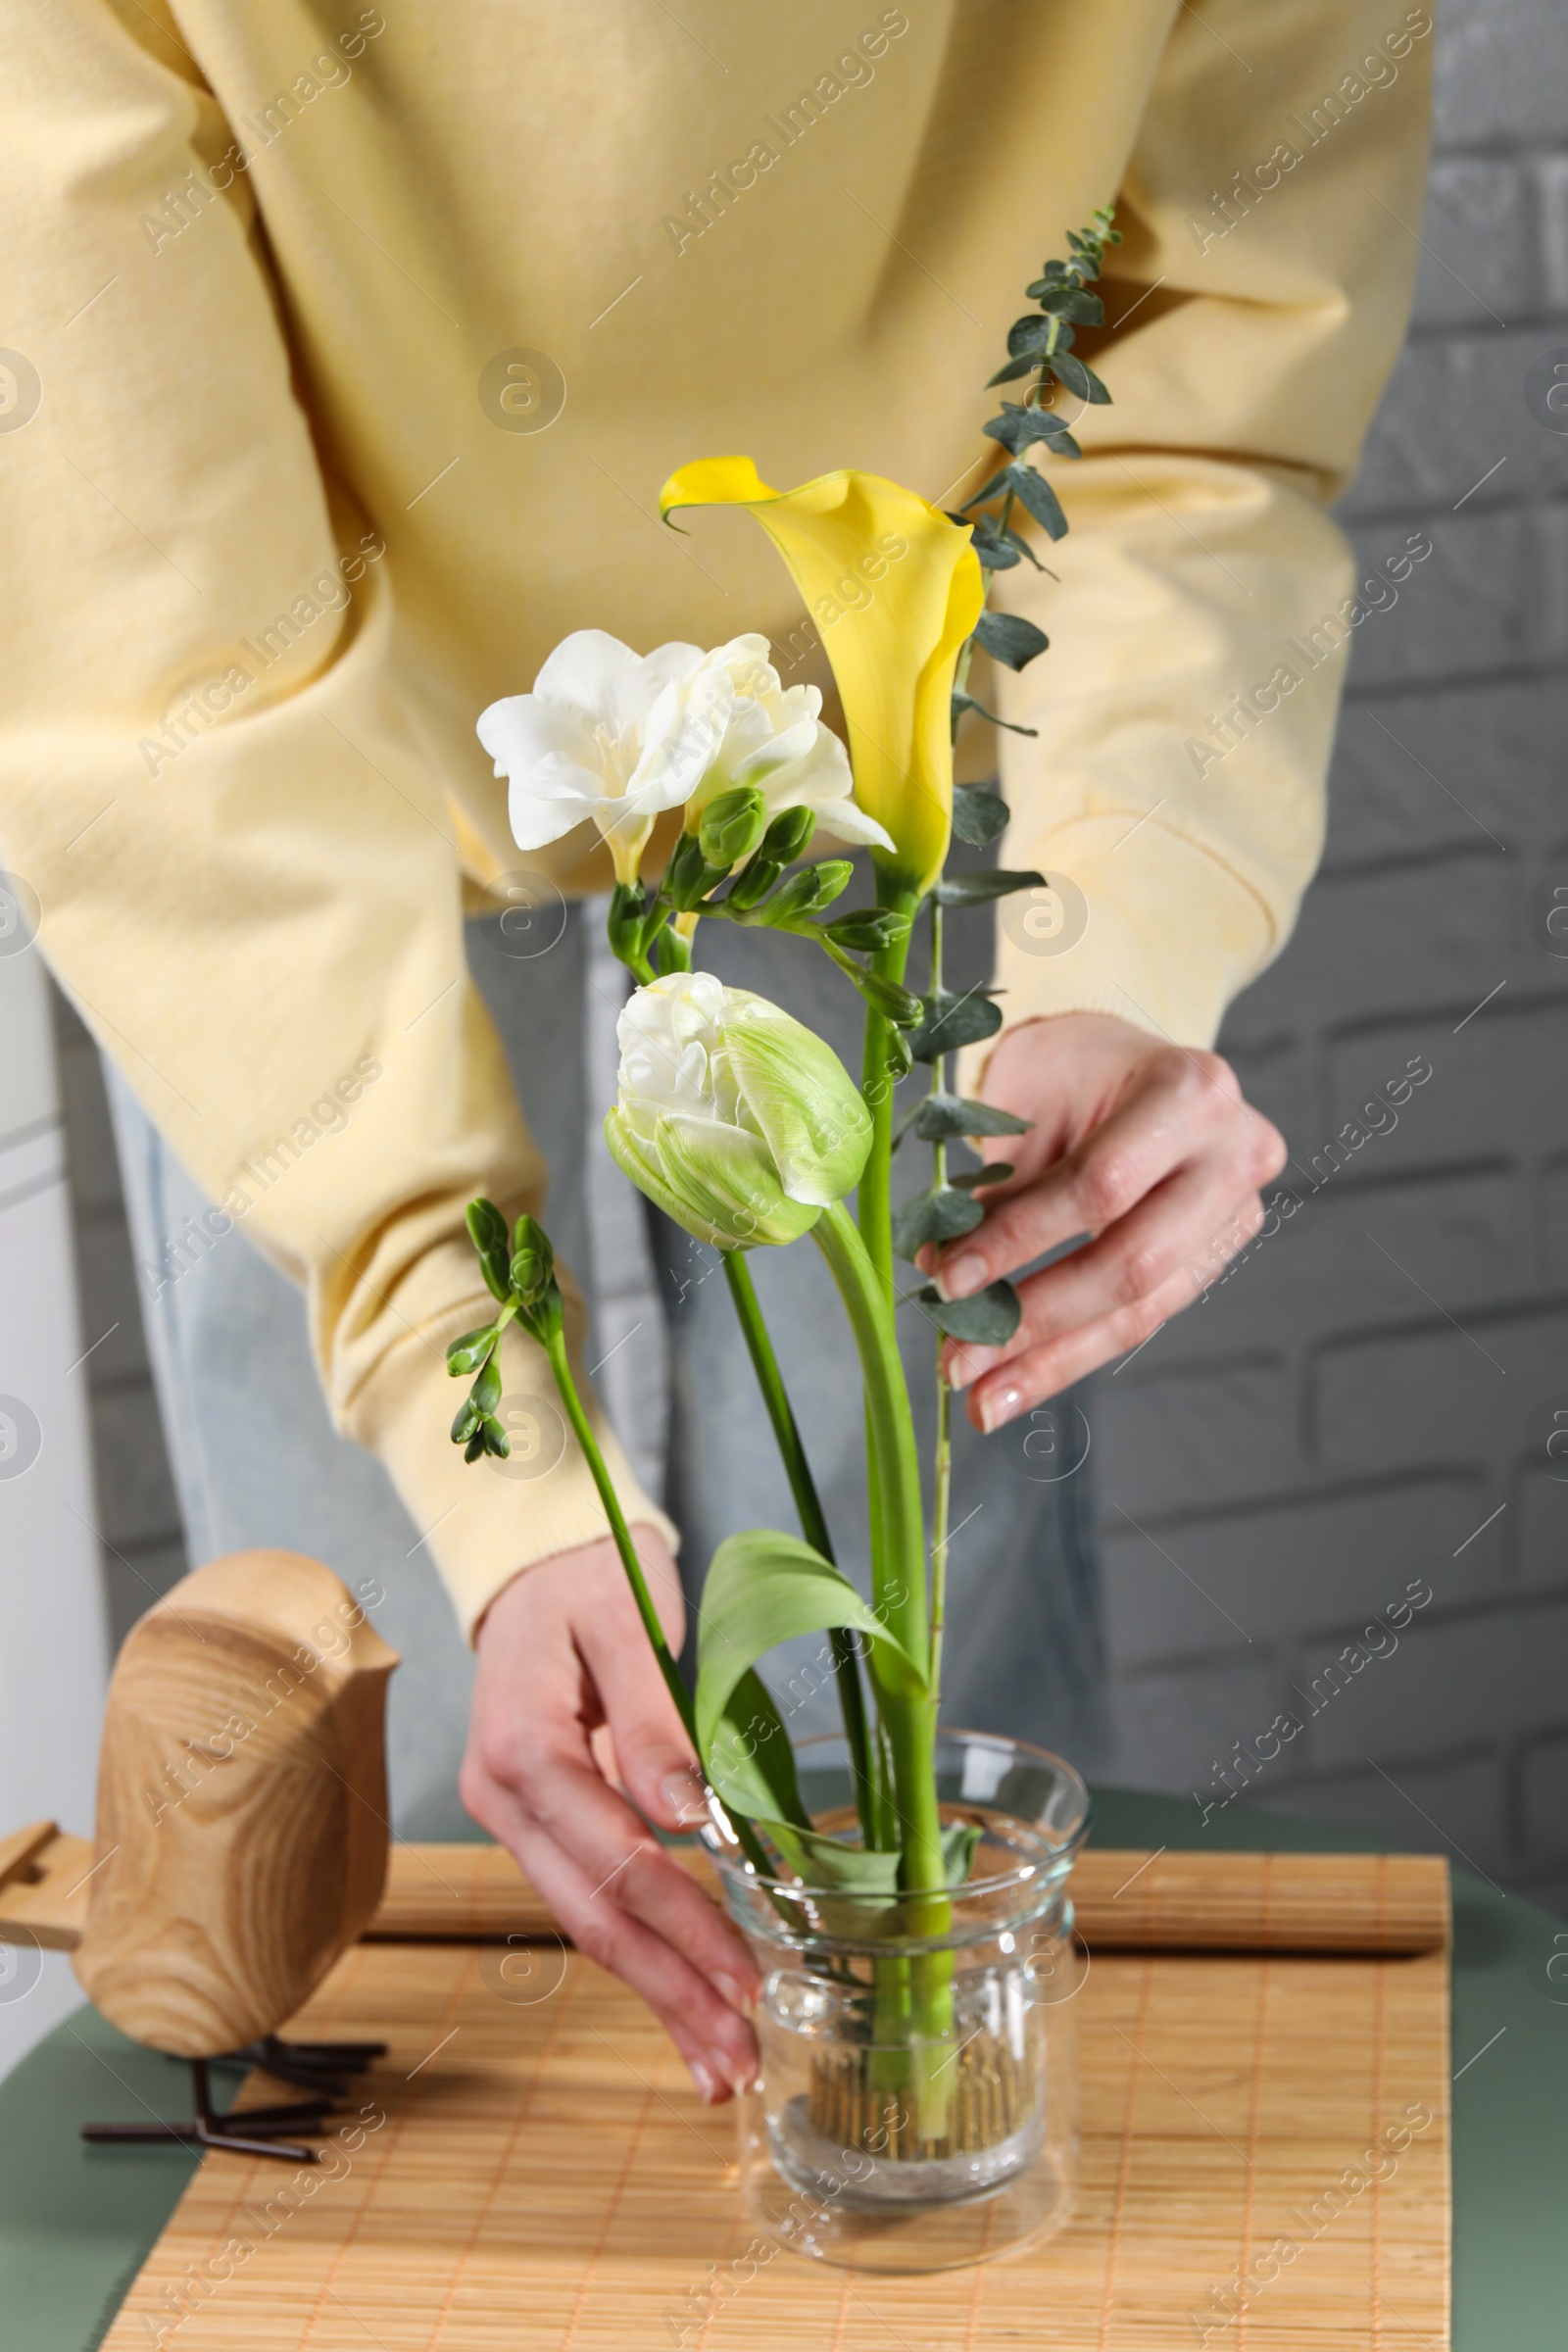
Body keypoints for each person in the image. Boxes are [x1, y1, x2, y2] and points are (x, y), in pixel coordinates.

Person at [0, 3, 1430, 2104]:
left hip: (880, 717)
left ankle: (901, 2154)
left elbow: (1206, 370)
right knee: (388, 1681)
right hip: (293, 743)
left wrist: (1115, 943)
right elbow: (160, 656)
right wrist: (479, 1432)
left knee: (910, 1650)